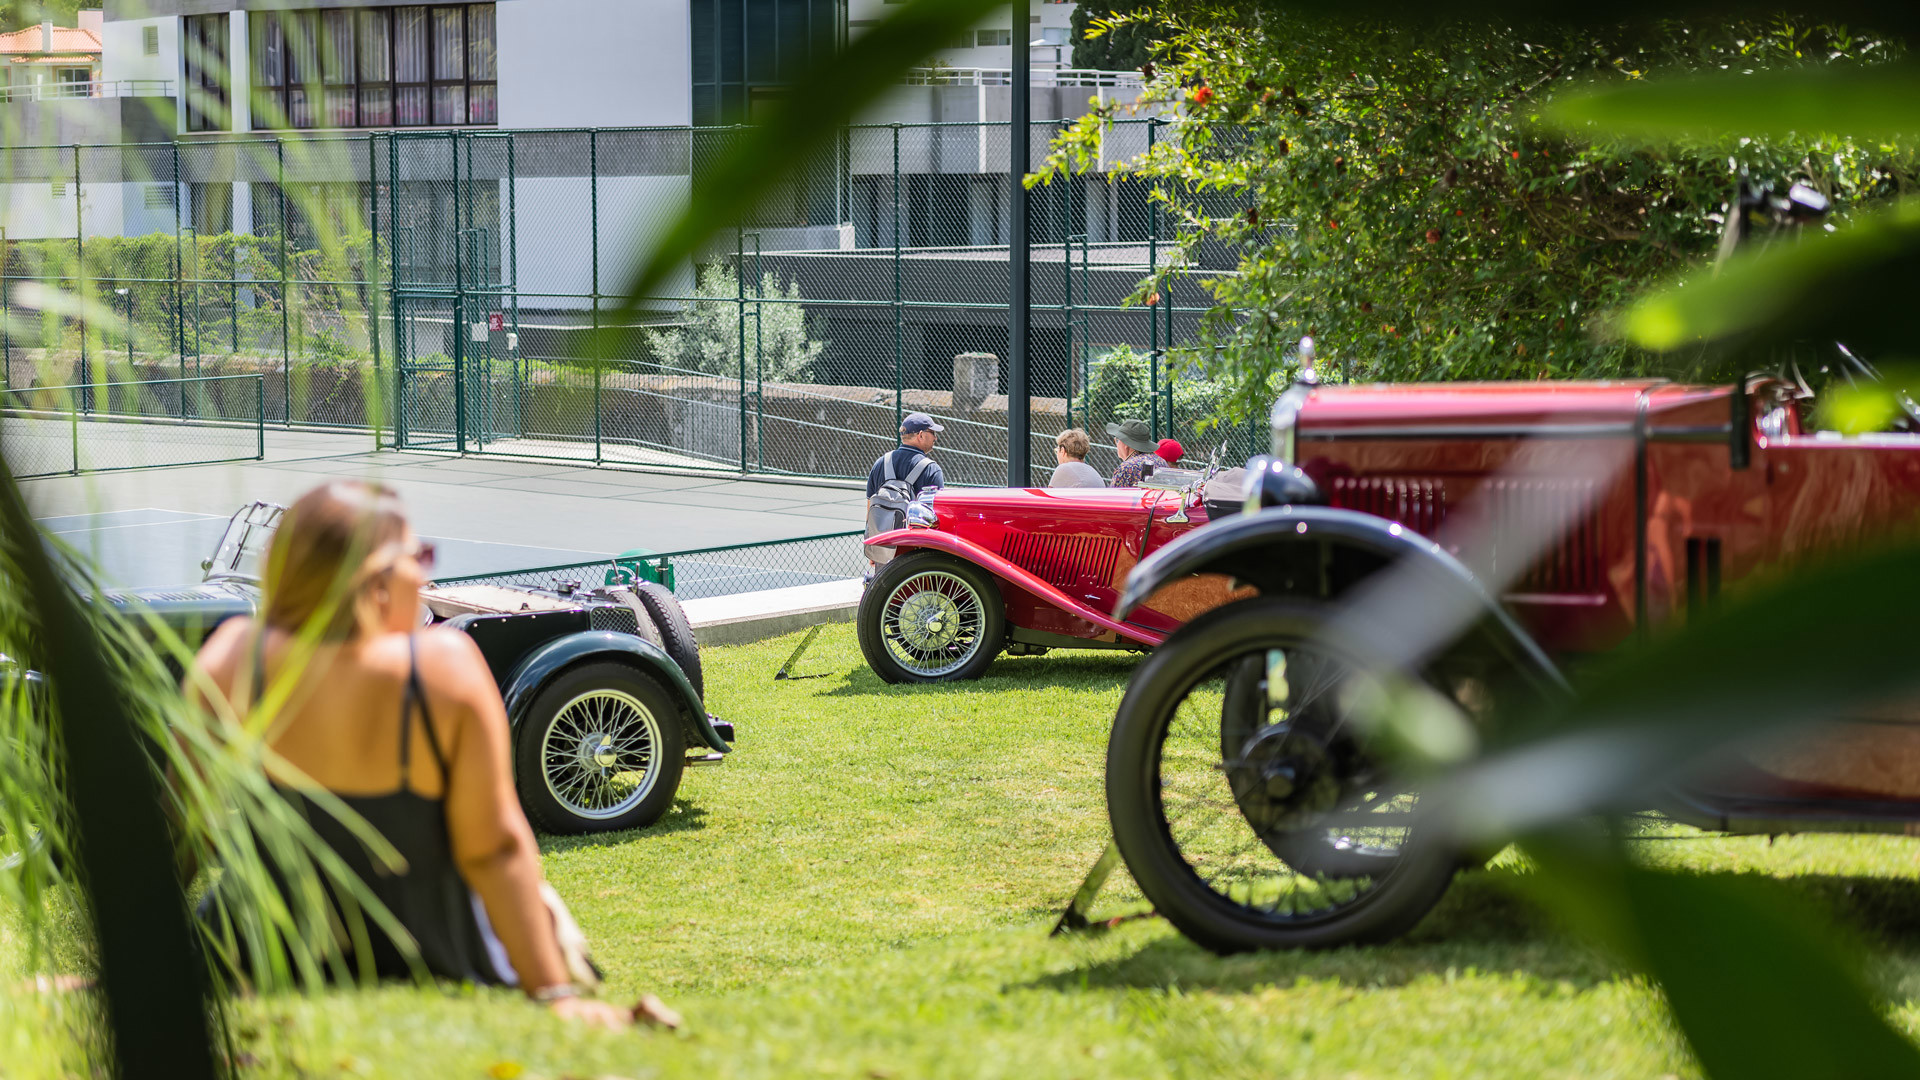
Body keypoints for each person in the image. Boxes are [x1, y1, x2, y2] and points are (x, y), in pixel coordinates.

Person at [187, 481, 668, 1031]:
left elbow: (180, 831)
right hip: (431, 948)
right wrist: (554, 994)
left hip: (258, 949)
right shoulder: (443, 667)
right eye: (417, 557)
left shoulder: (231, 659)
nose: (426, 577)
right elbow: (495, 849)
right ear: (375, 576)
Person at [866, 412, 947, 502]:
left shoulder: (881, 463)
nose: (935, 438)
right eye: (933, 433)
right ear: (921, 435)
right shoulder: (931, 469)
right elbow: (936, 510)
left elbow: (871, 511)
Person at [1106, 418, 1167, 488]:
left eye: (1117, 440)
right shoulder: (1161, 461)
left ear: (1125, 444)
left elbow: (1114, 496)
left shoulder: (1125, 468)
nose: (1116, 444)